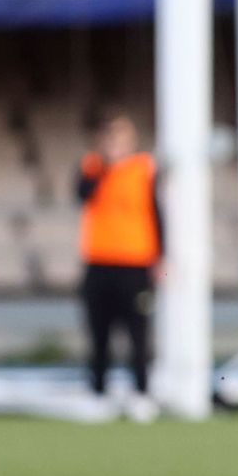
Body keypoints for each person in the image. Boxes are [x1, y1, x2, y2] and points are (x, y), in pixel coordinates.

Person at [76, 113, 162, 423]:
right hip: (99, 262)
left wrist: (159, 256)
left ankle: (141, 393)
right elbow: (82, 194)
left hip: (135, 263)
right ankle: (98, 393)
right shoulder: (92, 167)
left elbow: (155, 211)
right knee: (99, 333)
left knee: (138, 333)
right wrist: (105, 166)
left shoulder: (144, 169)